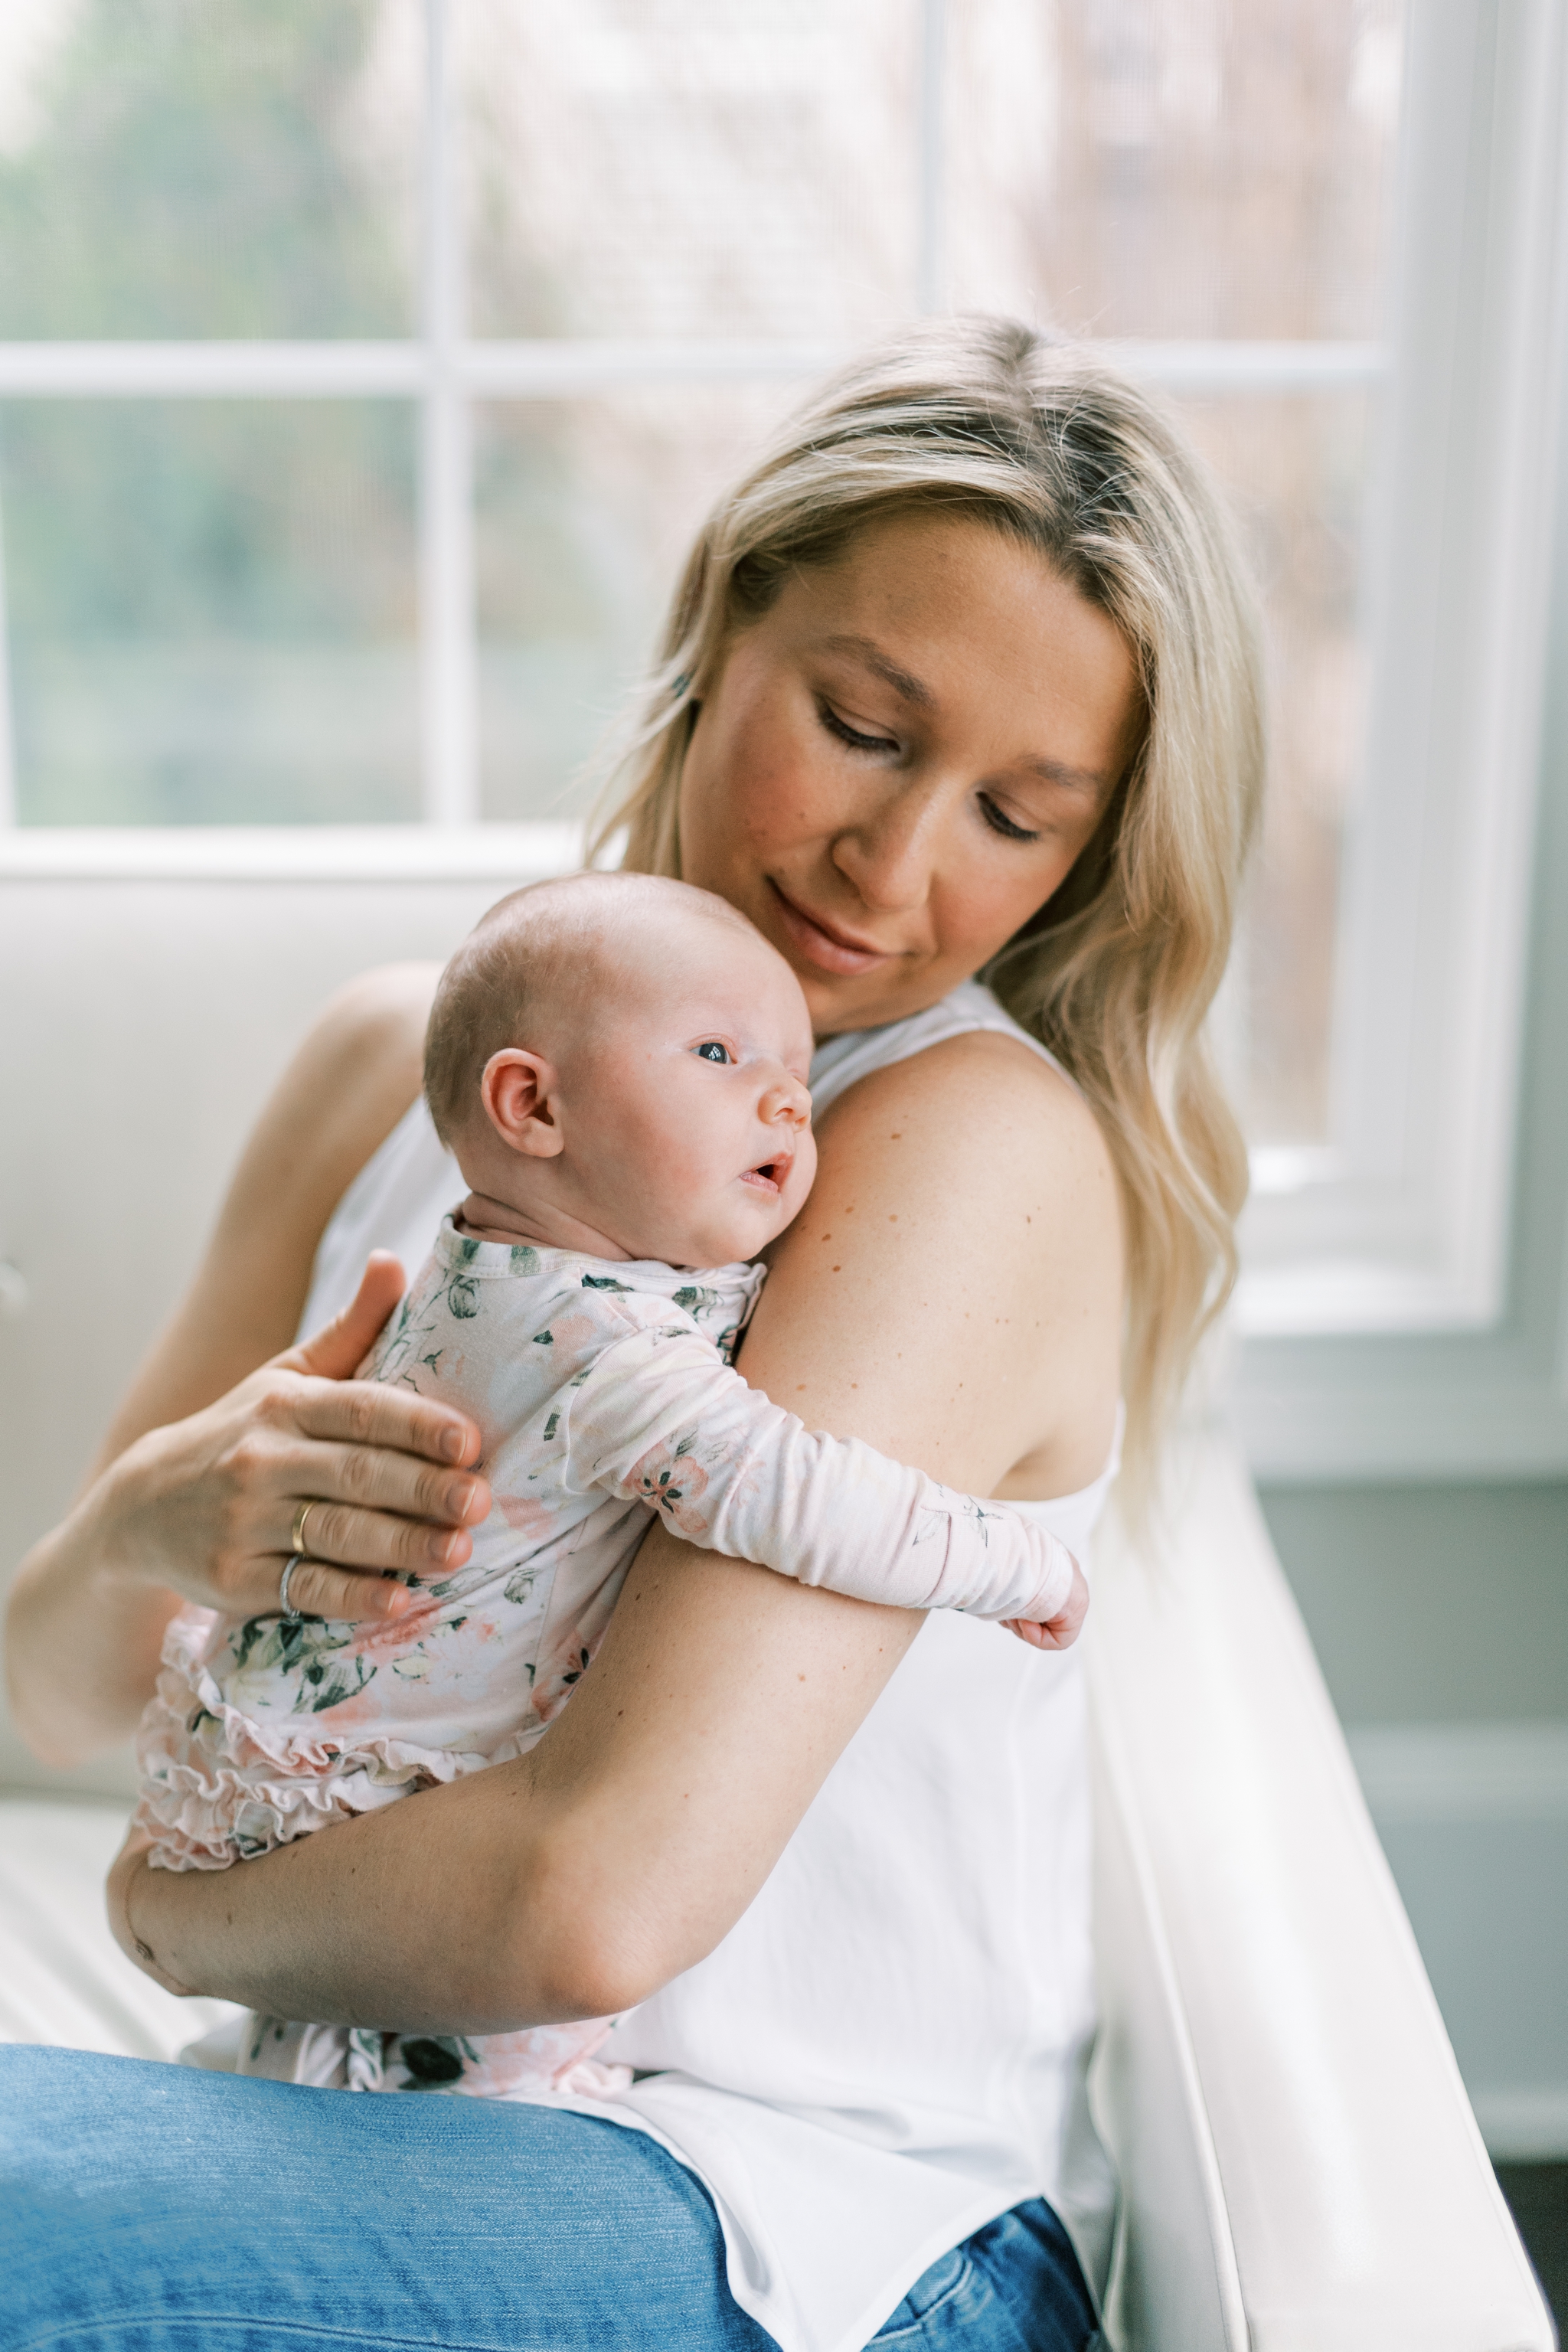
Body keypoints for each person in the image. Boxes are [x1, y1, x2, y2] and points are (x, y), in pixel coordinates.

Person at [1, 316, 1262, 2352]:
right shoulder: (382, 1073)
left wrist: (167, 1918)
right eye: (864, 725)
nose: (898, 864)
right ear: (721, 619)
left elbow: (591, 1907)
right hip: (396, 2146)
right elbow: (48, 1695)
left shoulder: (961, 1143)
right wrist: (154, 1524)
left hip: (808, 2230)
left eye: (1019, 815)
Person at [135, 871, 1084, 2103]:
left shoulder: (478, 1274)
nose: (788, 1100)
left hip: (292, 1794)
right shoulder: (604, 1351)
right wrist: (1015, 1565)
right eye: (718, 1052)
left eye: (791, 1069)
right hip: (395, 1843)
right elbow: (795, 1498)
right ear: (531, 1104)